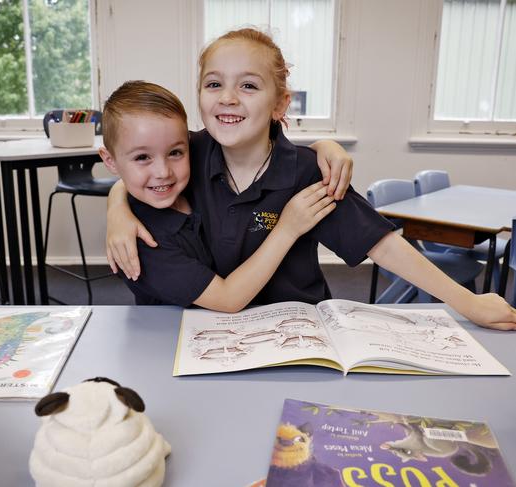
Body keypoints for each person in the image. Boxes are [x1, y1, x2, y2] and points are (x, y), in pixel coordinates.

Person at [106, 28, 516, 330]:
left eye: (248, 85)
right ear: (199, 94)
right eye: (214, 84)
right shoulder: (187, 152)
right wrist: (116, 206)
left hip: (300, 329)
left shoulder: (307, 170)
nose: (228, 97)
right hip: (209, 331)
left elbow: (382, 245)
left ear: (281, 102)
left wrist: (468, 302)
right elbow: (142, 172)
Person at [99, 80, 336, 312]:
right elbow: (227, 300)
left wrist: (322, 147)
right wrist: (288, 228)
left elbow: (263, 142)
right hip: (171, 342)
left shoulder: (195, 167)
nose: (163, 172)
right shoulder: (141, 242)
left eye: (175, 153)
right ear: (110, 160)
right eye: (142, 158)